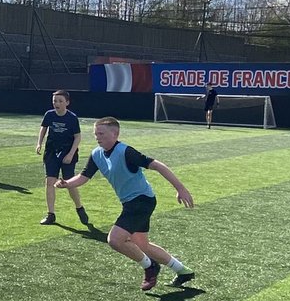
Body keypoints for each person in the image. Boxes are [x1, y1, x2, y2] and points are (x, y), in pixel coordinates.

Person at [57, 117, 195, 291]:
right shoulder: (96, 154)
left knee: (114, 240)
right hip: (130, 203)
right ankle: (183, 271)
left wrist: (180, 189)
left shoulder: (126, 151)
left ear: (115, 134)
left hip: (142, 201)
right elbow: (84, 176)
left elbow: (158, 165)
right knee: (143, 245)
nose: (97, 137)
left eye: (101, 133)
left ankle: (150, 266)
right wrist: (67, 183)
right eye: (95, 134)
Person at [35, 90, 90, 226]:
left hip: (67, 153)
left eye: (60, 101)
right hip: (52, 152)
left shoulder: (72, 118)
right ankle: (51, 214)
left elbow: (77, 137)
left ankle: (79, 207)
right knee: (49, 181)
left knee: (69, 183)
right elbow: (43, 128)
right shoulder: (49, 114)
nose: (57, 103)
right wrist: (39, 143)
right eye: (54, 101)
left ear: (67, 102)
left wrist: (70, 154)